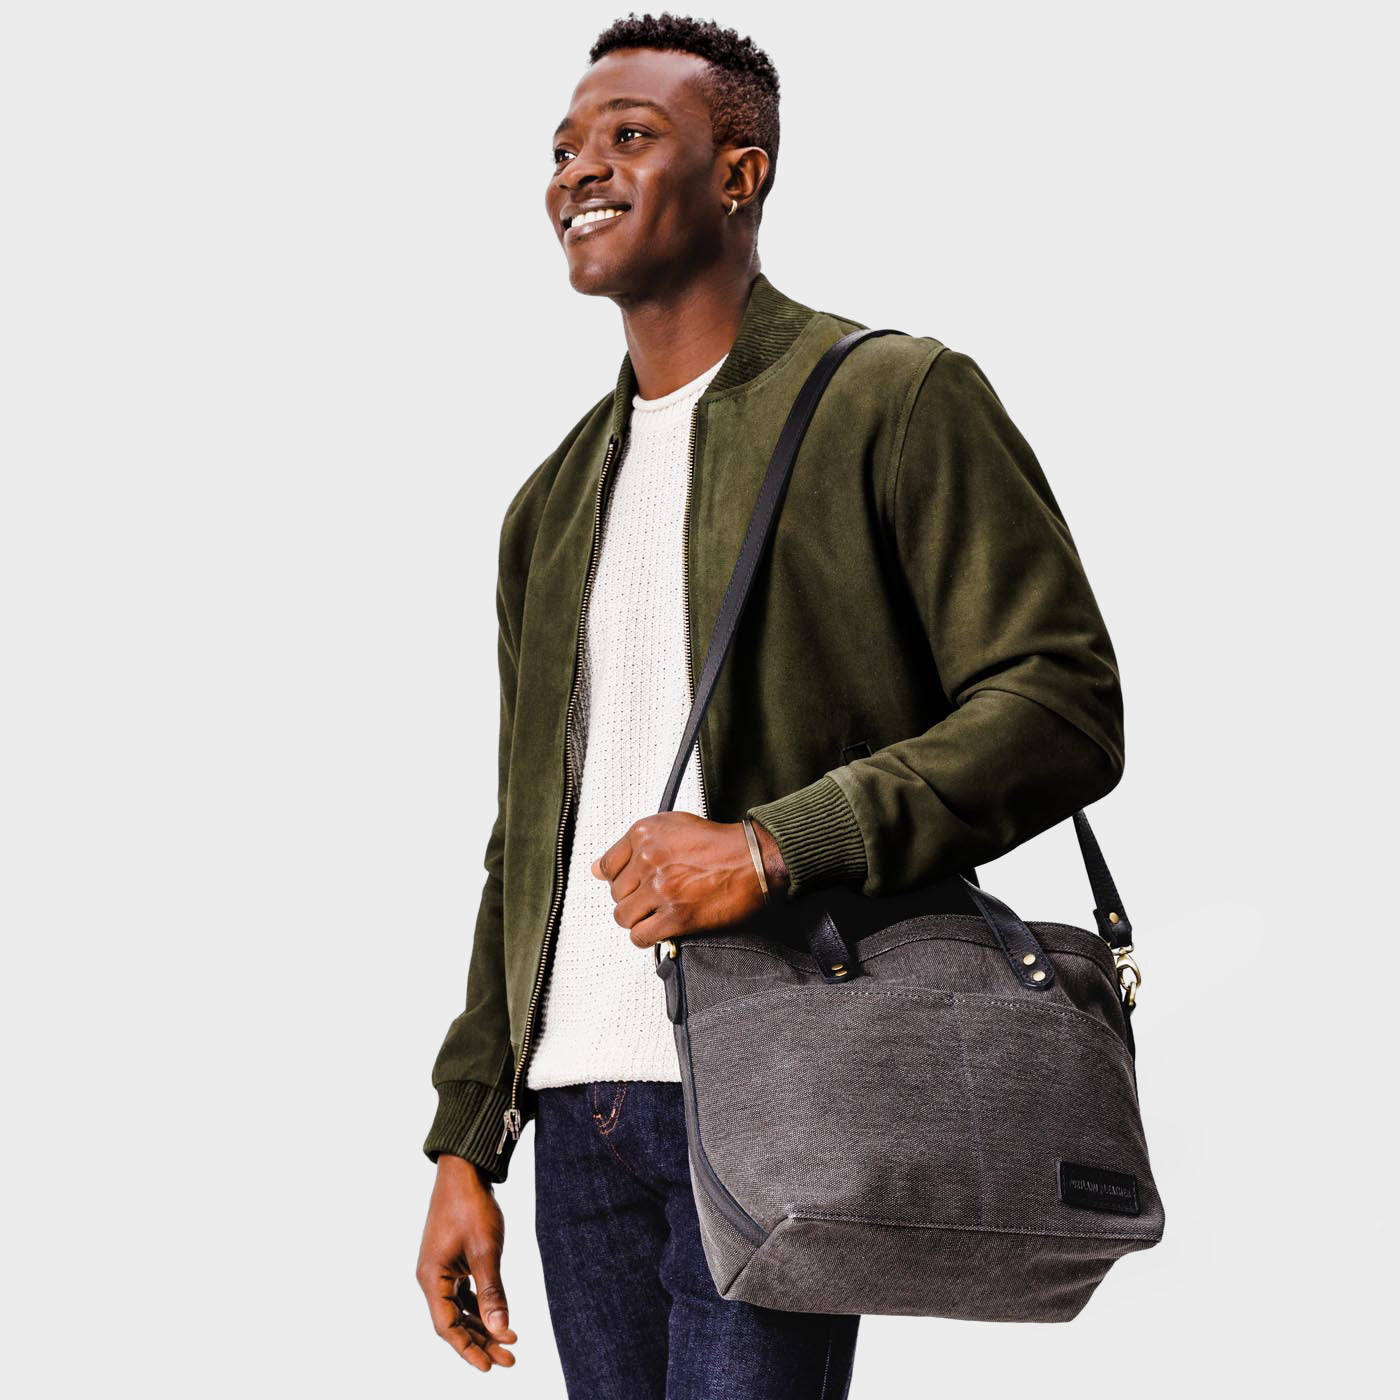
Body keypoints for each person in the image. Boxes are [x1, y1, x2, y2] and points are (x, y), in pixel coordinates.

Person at [416, 13, 1125, 1398]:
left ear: (740, 174)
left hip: (779, 1075)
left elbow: (1061, 702)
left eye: (629, 135)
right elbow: (526, 843)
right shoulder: (548, 505)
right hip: (576, 1113)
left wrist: (771, 844)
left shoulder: (892, 399)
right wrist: (466, 1135)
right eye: (561, 149)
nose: (578, 171)